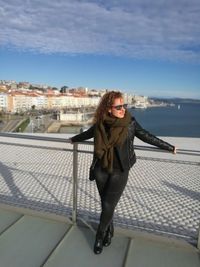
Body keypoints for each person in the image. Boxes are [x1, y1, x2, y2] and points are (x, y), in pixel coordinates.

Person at [70, 91, 176, 255]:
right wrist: (73, 139)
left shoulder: (130, 123)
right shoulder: (101, 123)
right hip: (101, 168)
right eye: (118, 106)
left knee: (107, 204)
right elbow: (87, 134)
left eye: (124, 105)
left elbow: (147, 136)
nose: (123, 109)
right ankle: (109, 231)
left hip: (120, 169)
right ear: (108, 109)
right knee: (106, 203)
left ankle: (99, 235)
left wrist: (169, 147)